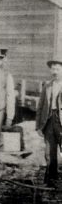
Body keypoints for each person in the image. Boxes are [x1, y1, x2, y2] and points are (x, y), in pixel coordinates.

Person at [35, 56, 62, 186]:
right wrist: (39, 126)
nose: (55, 71)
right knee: (49, 152)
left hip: (61, 121)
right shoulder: (47, 85)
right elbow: (40, 106)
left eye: (58, 69)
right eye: (53, 69)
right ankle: (52, 179)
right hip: (49, 121)